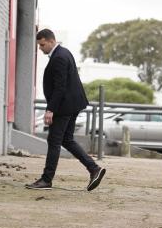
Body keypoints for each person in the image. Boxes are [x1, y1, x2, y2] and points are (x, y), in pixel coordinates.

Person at [26, 29, 106, 191]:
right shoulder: (63, 53)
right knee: (66, 140)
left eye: (42, 45)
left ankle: (46, 179)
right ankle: (94, 169)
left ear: (50, 41)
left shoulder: (59, 57)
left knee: (54, 141)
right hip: (71, 104)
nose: (40, 48)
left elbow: (60, 87)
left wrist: (50, 110)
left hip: (64, 106)